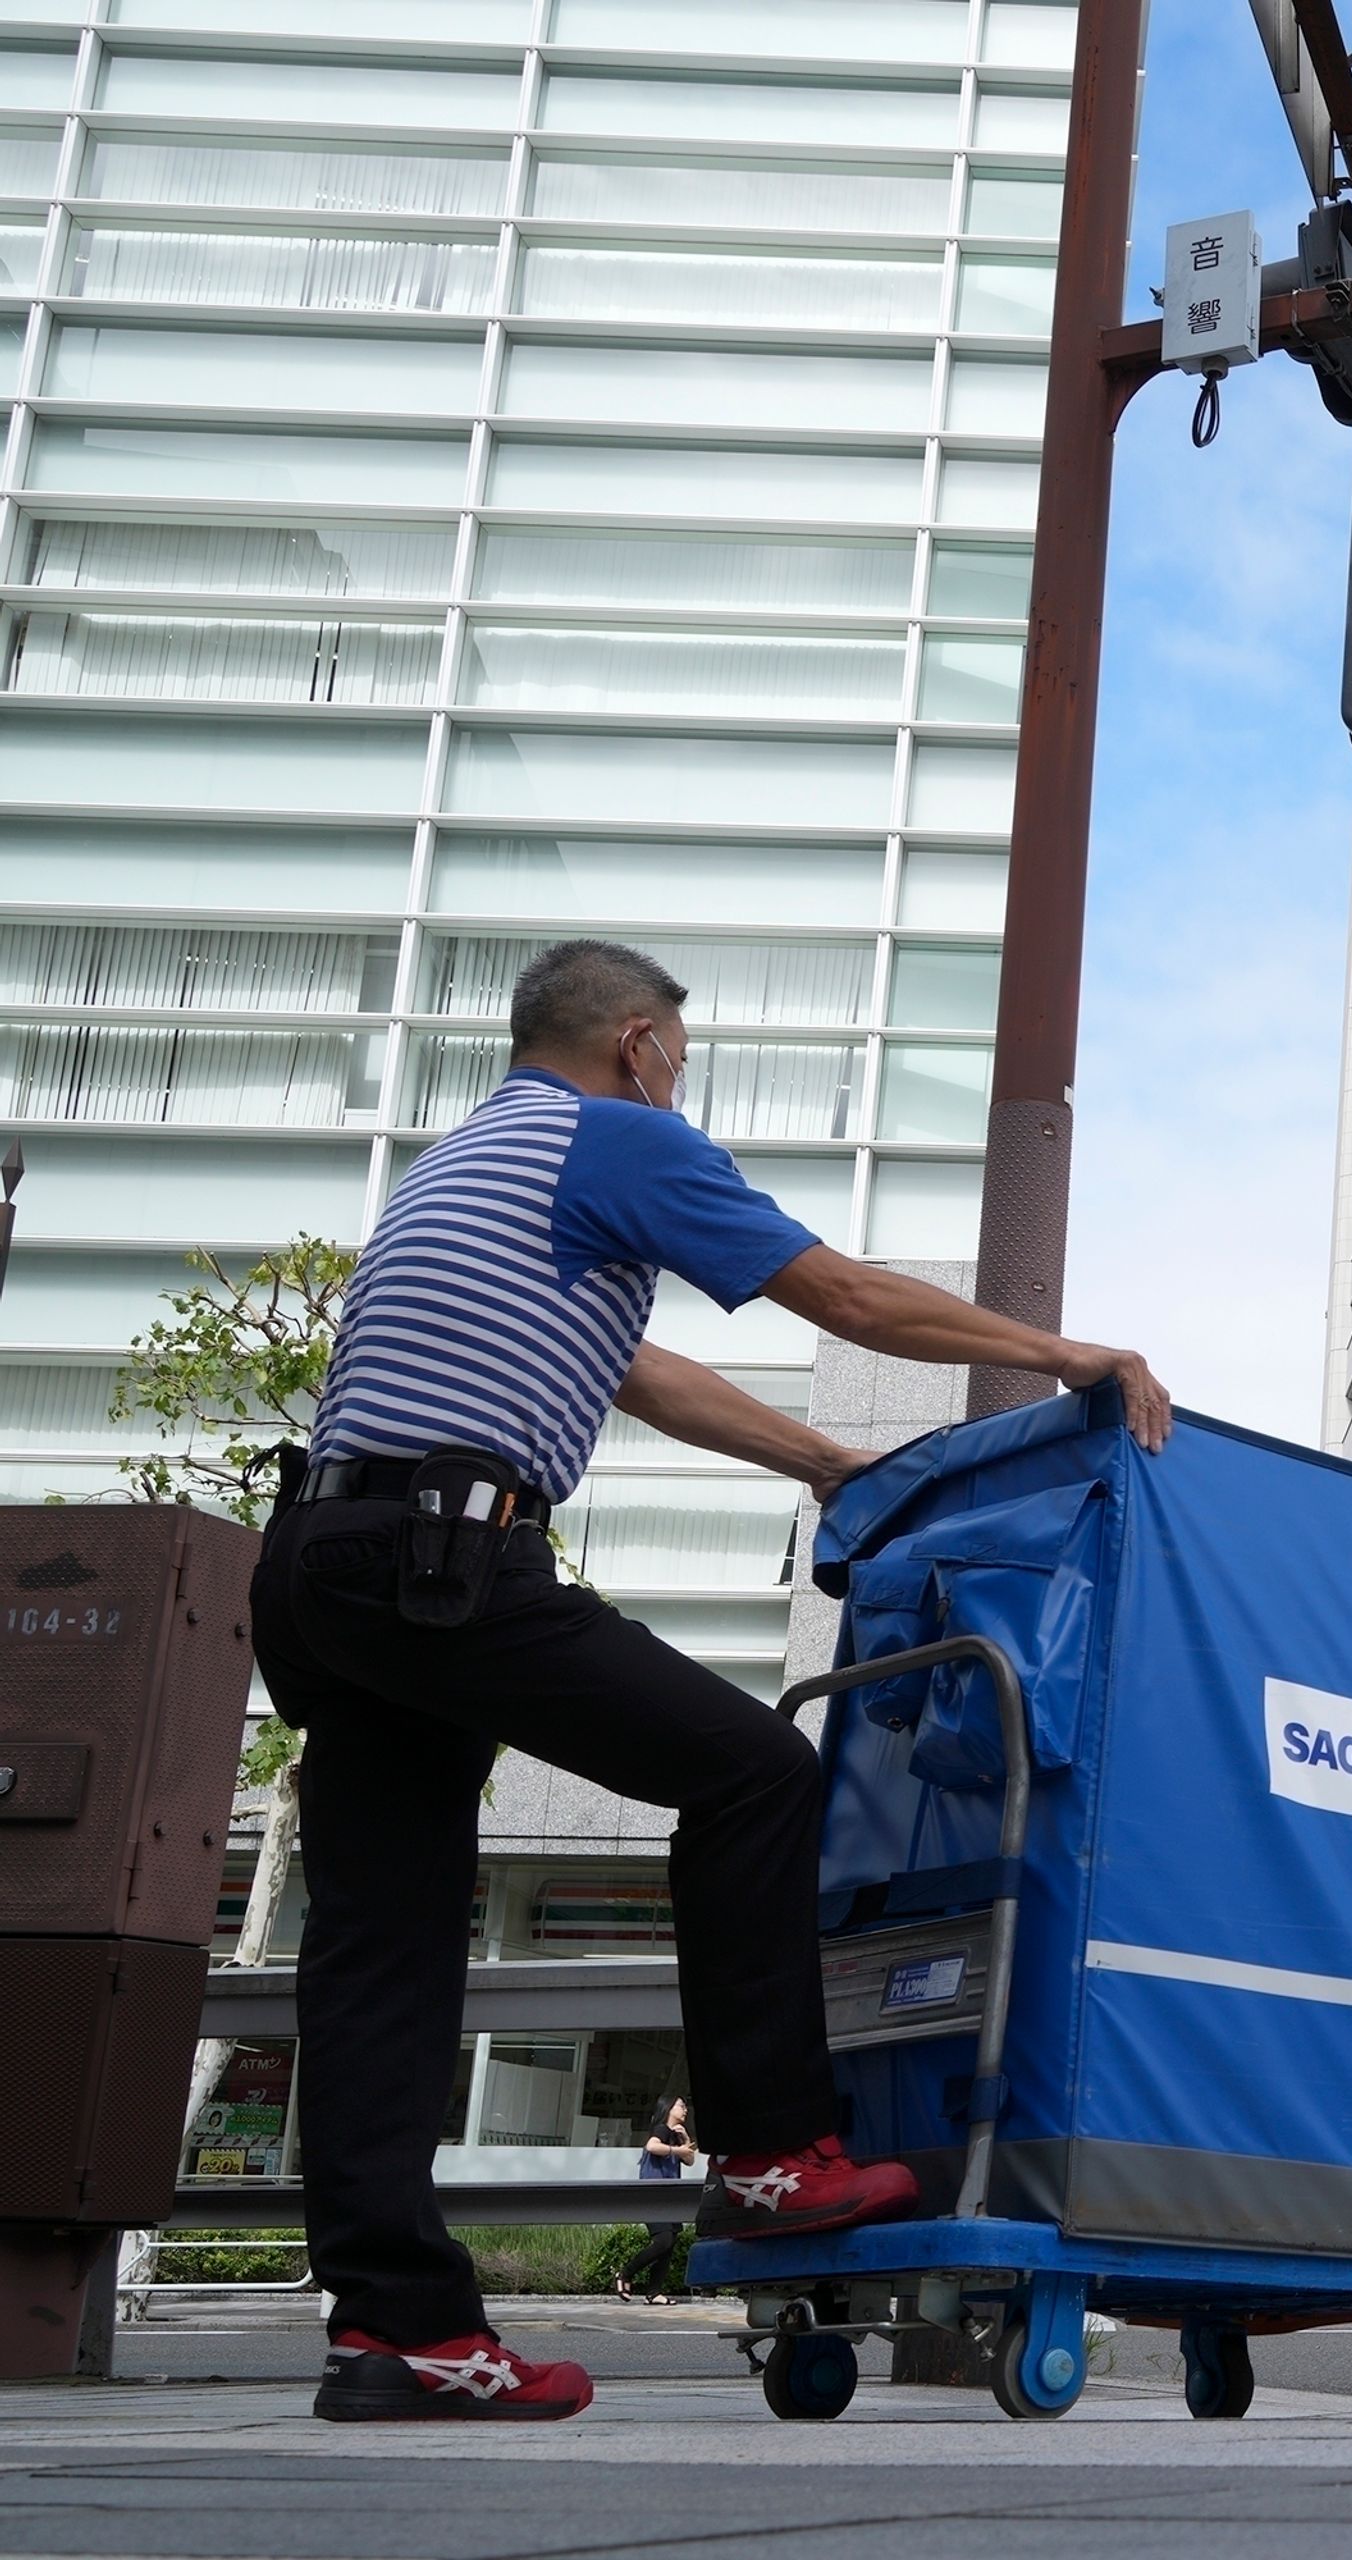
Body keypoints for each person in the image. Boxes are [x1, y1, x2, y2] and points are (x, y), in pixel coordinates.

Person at [256, 938, 1171, 2422]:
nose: (682, 1076)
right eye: (680, 1050)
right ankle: (769, 2152)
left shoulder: (462, 1164)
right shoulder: (618, 1136)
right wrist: (1069, 1353)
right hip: (446, 1559)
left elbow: (641, 1375)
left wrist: (821, 1458)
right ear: (637, 1044)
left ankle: (397, 2332)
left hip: (323, 1566)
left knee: (382, 1946)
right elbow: (848, 1296)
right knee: (758, 1774)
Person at [620, 2098, 698, 2305]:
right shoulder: (662, 2130)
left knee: (669, 2243)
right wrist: (676, 2150)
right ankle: (625, 2274)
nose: (685, 2110)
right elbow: (652, 2146)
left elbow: (690, 2159)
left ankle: (654, 2292)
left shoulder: (675, 2134)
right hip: (654, 2195)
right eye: (680, 2106)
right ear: (668, 2108)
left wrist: (685, 2139)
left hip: (669, 2197)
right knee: (663, 2240)